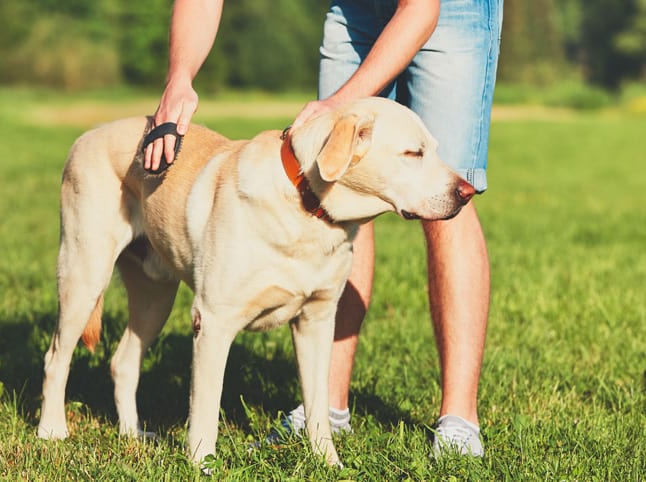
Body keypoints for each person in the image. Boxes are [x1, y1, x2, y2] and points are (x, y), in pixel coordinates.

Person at [145, 0, 503, 457]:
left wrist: (340, 108)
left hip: (448, 10)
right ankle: (327, 412)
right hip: (355, 9)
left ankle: (458, 421)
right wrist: (180, 78)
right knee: (335, 183)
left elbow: (420, 9)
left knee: (444, 198)